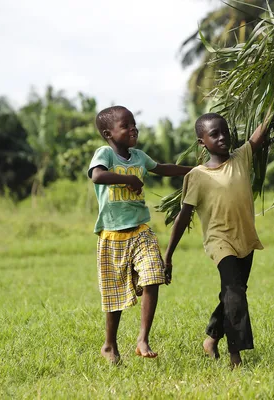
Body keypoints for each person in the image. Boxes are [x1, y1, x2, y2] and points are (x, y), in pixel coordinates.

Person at [164, 112, 270, 368]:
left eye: (225, 132)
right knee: (235, 294)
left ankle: (211, 337)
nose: (222, 137)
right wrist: (168, 255)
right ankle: (236, 355)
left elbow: (260, 133)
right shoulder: (197, 176)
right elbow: (183, 216)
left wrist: (273, 106)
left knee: (233, 292)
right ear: (202, 142)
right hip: (219, 241)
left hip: (245, 237)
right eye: (214, 134)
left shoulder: (241, 157)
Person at [88, 105, 192, 364]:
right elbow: (97, 176)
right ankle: (109, 345)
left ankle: (142, 339)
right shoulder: (105, 154)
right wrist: (128, 181)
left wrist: (192, 170)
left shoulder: (139, 157)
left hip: (140, 230)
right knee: (114, 297)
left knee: (153, 275)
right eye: (125, 125)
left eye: (134, 123)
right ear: (108, 133)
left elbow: (161, 168)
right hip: (112, 236)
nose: (133, 128)